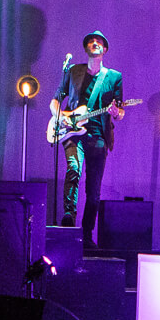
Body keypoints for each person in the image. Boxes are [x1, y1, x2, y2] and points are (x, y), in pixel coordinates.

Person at [54, 31, 127, 243]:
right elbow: (56, 100)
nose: (94, 43)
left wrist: (115, 112)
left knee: (94, 190)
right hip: (73, 132)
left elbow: (120, 111)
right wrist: (62, 117)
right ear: (86, 48)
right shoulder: (73, 71)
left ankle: (86, 234)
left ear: (104, 50)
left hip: (98, 136)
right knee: (73, 169)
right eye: (90, 41)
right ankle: (68, 218)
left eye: (99, 42)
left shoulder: (114, 77)